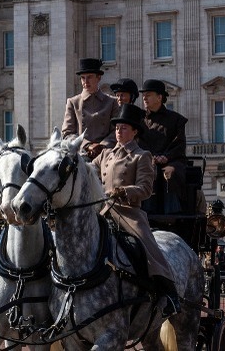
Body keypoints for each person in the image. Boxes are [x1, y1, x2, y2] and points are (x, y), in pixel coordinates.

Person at [92, 103, 180, 318]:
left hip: (127, 212)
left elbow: (145, 189)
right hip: (102, 211)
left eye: (123, 128)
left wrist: (123, 191)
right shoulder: (105, 155)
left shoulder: (142, 156)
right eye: (116, 128)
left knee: (146, 245)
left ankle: (168, 291)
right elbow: (88, 170)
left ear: (134, 132)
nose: (118, 132)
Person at [138, 79, 188, 214]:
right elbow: (139, 143)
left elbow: (179, 143)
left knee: (170, 173)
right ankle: (148, 212)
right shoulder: (140, 120)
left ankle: (172, 213)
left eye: (148, 94)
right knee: (150, 171)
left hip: (172, 161)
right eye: (144, 95)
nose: (144, 98)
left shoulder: (176, 119)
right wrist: (152, 157)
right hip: (148, 160)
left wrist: (166, 157)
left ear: (160, 97)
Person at [62, 57, 120, 159]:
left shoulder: (112, 102)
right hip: (81, 154)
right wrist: (87, 145)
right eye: (83, 78)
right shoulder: (73, 102)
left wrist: (102, 146)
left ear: (98, 78)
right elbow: (67, 134)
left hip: (106, 154)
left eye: (89, 77)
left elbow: (116, 130)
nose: (86, 81)